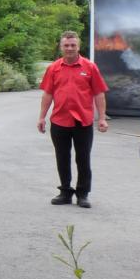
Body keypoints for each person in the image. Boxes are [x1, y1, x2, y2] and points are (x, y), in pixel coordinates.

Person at [37, 30, 109, 207]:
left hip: (82, 121)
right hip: (59, 121)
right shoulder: (53, 68)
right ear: (61, 47)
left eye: (73, 45)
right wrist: (41, 117)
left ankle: (83, 194)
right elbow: (47, 94)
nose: (69, 48)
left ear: (78, 46)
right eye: (66, 45)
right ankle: (65, 193)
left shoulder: (90, 67)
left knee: (83, 158)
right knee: (62, 157)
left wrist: (102, 118)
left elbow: (99, 94)